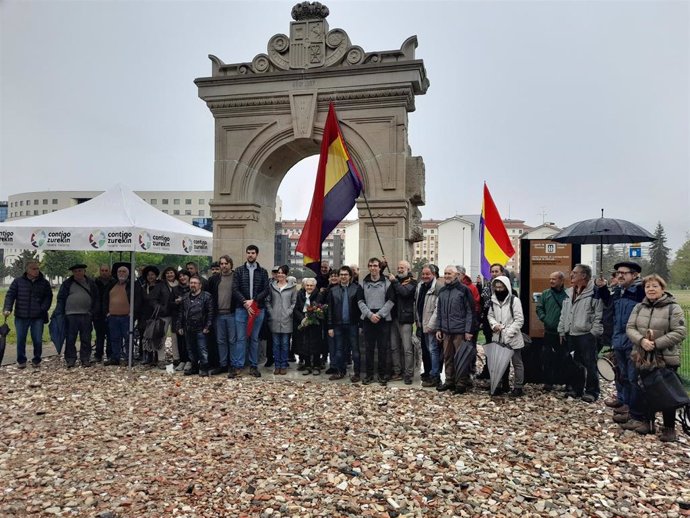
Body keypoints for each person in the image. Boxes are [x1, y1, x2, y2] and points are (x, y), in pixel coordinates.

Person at [625, 274, 687, 441]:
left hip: (665, 357)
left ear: (662, 289)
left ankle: (669, 428)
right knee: (645, 389)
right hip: (642, 356)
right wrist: (641, 341)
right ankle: (648, 422)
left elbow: (680, 332)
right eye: (647, 287)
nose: (651, 289)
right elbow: (630, 327)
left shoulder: (673, 308)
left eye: (655, 286)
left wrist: (656, 343)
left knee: (666, 391)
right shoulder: (639, 307)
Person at [595, 261, 645, 425]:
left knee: (632, 377)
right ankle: (623, 401)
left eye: (624, 273)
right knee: (620, 373)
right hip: (618, 339)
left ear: (635, 275)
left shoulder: (640, 291)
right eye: (618, 273)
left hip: (633, 341)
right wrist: (602, 288)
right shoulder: (619, 291)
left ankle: (633, 409)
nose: (620, 275)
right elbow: (609, 306)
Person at [557, 264, 603, 403]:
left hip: (586, 334)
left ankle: (592, 391)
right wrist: (561, 329)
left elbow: (599, 315)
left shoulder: (595, 292)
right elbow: (564, 313)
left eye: (575, 273)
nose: (571, 275)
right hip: (571, 333)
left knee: (590, 363)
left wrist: (594, 333)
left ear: (583, 276)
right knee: (575, 362)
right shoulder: (570, 292)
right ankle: (577, 389)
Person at [428, 266, 475, 394]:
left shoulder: (464, 290)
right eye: (445, 273)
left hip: (460, 331)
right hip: (446, 331)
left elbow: (470, 312)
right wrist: (439, 328)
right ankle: (449, 381)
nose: (447, 275)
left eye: (449, 273)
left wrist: (468, 331)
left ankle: (461, 383)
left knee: (460, 358)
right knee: (447, 357)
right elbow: (439, 312)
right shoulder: (442, 291)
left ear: (456, 275)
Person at [3, 260, 53, 369]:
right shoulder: (18, 282)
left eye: (37, 268)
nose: (36, 271)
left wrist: (43, 309)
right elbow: (10, 295)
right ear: (27, 270)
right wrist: (7, 308)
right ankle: (21, 361)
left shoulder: (44, 282)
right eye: (33, 268)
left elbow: (48, 297)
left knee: (38, 339)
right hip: (21, 316)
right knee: (21, 339)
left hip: (37, 317)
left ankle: (37, 360)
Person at [232, 244, 270, 379]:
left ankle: (253, 366)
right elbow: (235, 289)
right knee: (241, 339)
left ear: (257, 254)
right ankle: (238, 366)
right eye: (248, 253)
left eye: (253, 253)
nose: (250, 255)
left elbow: (266, 290)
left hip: (258, 308)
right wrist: (245, 302)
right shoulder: (238, 271)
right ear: (246, 254)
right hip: (241, 309)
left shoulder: (263, 272)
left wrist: (253, 301)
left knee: (254, 339)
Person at [357, 257, 395, 386]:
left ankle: (382, 375)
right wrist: (369, 315)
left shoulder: (387, 283)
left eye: (375, 266)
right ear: (368, 267)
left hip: (383, 319)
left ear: (380, 267)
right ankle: (369, 375)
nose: (373, 268)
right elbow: (360, 301)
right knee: (369, 349)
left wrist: (378, 315)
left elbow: (391, 301)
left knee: (383, 349)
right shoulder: (363, 283)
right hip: (368, 319)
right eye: (371, 265)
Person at [487, 276, 526, 397]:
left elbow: (519, 320)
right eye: (496, 287)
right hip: (498, 336)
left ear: (506, 287)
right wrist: (494, 325)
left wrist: (508, 332)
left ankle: (518, 387)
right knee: (498, 363)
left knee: (517, 363)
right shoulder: (493, 301)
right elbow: (490, 315)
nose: (499, 289)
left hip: (512, 337)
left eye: (501, 287)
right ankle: (497, 386)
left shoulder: (514, 301)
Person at [56, 263, 99, 368]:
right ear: (73, 273)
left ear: (84, 271)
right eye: (75, 271)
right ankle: (70, 359)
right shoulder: (67, 283)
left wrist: (92, 312)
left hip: (86, 315)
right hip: (70, 315)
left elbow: (97, 298)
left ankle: (85, 359)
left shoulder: (91, 283)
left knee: (86, 338)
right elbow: (61, 298)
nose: (78, 273)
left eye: (80, 271)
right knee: (70, 339)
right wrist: (61, 313)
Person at [327, 266, 361, 381]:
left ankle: (357, 373)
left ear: (350, 276)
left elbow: (361, 308)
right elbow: (330, 310)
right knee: (339, 350)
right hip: (338, 325)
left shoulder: (357, 288)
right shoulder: (333, 290)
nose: (343, 277)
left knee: (355, 350)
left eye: (345, 274)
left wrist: (360, 325)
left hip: (353, 324)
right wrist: (330, 326)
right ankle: (340, 371)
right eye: (341, 274)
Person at [177, 275, 214, 376]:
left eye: (195, 283)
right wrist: (179, 326)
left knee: (202, 349)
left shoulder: (207, 296)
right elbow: (181, 312)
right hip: (188, 327)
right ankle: (194, 367)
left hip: (201, 327)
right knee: (190, 349)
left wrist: (208, 326)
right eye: (191, 283)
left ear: (200, 285)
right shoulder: (185, 297)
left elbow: (211, 313)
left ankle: (204, 368)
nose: (192, 285)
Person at [536, 271, 567, 391]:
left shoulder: (568, 294)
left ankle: (563, 381)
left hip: (563, 333)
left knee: (563, 357)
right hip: (549, 332)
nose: (551, 281)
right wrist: (545, 319)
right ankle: (548, 382)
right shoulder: (545, 294)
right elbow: (539, 308)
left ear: (561, 280)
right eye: (550, 279)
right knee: (547, 357)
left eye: (554, 279)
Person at [388, 260, 417, 385]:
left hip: (405, 319)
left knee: (407, 348)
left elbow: (405, 293)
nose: (400, 270)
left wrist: (394, 282)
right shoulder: (395, 281)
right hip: (393, 318)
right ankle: (397, 371)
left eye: (402, 268)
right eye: (398, 267)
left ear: (408, 269)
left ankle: (408, 373)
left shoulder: (413, 282)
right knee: (394, 347)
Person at [266, 265, 297, 375]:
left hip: (286, 319)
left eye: (282, 273)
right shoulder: (272, 286)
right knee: (275, 344)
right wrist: (271, 312)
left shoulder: (292, 287)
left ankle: (283, 365)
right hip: (274, 319)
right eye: (278, 272)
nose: (280, 274)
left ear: (286, 274)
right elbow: (268, 301)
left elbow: (294, 302)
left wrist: (289, 312)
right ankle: (277, 365)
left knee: (284, 344)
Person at [208, 255, 236, 375]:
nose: (223, 266)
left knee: (232, 340)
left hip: (232, 314)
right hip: (218, 315)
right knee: (220, 341)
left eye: (226, 263)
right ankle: (223, 364)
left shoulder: (236, 277)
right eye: (221, 264)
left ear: (230, 264)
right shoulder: (214, 279)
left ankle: (233, 365)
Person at [415, 264, 442, 387]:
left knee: (433, 351)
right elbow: (417, 303)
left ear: (433, 274)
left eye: (428, 274)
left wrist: (431, 325)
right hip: (422, 323)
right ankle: (428, 372)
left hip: (431, 326)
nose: (425, 276)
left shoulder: (438, 287)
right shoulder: (420, 285)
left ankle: (435, 376)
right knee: (426, 350)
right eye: (423, 274)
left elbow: (438, 309)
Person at [104, 265, 137, 366]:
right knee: (114, 338)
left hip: (126, 317)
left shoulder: (132, 285)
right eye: (119, 271)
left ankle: (129, 358)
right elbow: (105, 299)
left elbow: (138, 300)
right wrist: (107, 312)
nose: (121, 273)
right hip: (113, 317)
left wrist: (133, 313)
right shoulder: (111, 284)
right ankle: (115, 358)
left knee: (128, 338)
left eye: (124, 271)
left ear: (128, 273)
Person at [294, 278, 325, 375]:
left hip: (315, 324)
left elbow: (320, 309)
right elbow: (296, 309)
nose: (309, 287)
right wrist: (302, 319)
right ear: (304, 286)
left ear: (314, 286)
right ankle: (307, 365)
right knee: (304, 344)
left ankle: (316, 365)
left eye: (311, 285)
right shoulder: (300, 294)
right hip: (303, 323)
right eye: (307, 285)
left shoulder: (319, 295)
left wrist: (311, 318)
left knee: (316, 345)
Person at [93, 264, 114, 363]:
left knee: (110, 335)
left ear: (109, 271)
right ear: (99, 271)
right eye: (102, 270)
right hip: (98, 313)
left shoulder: (114, 282)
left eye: (106, 270)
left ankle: (110, 354)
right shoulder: (94, 283)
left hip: (111, 312)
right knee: (99, 336)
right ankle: (98, 354)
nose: (104, 272)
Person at [172, 269, 192, 371]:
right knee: (180, 340)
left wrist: (183, 299)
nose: (182, 278)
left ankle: (190, 360)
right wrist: (175, 302)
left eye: (184, 276)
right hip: (178, 317)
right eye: (180, 276)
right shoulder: (175, 289)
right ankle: (182, 360)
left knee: (189, 340)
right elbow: (169, 303)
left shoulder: (193, 286)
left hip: (191, 317)